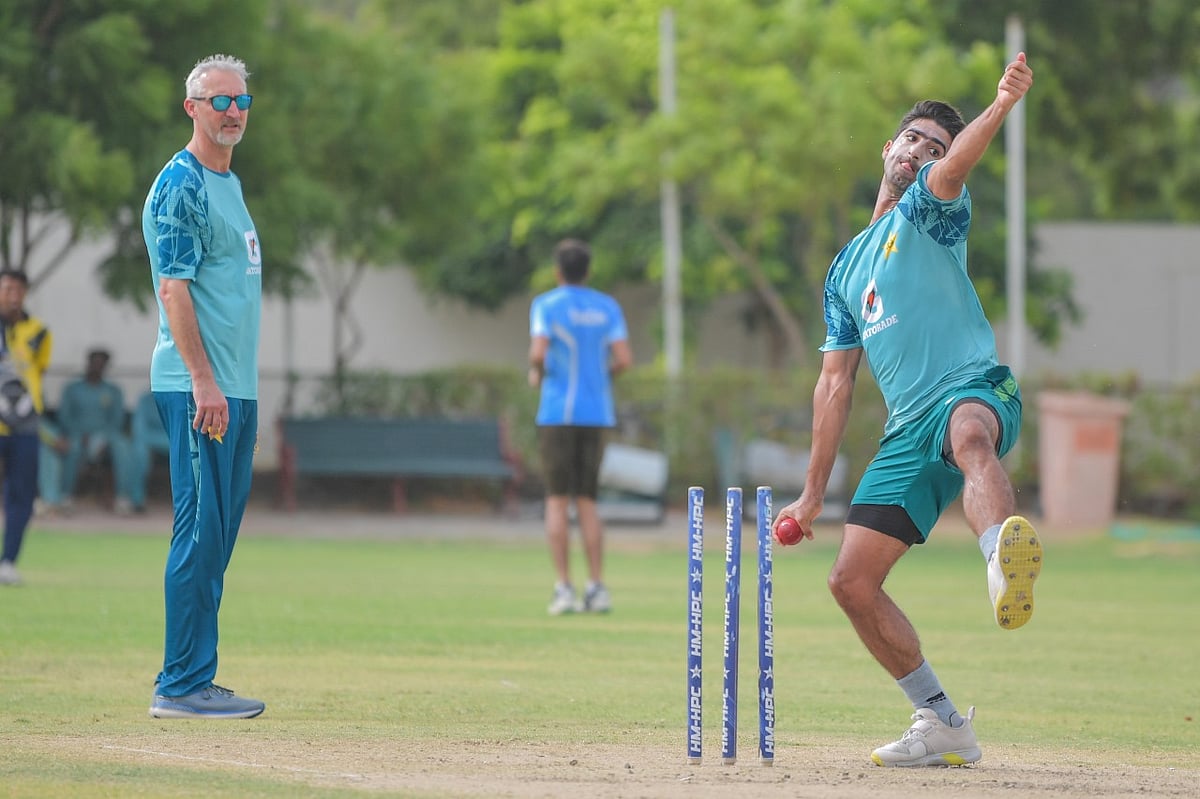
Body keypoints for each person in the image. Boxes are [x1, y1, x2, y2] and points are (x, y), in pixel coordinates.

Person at [772, 53, 1042, 767]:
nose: (923, 150)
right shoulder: (844, 269)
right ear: (886, 148)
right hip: (903, 431)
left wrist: (1002, 105)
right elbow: (834, 386)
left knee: (968, 433)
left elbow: (957, 170)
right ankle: (943, 720)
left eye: (935, 145)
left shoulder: (929, 207)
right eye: (914, 138)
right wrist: (810, 493)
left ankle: (1001, 561)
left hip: (972, 385)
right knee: (850, 581)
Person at [141, 54, 263, 719]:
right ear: (192, 107)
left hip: (231, 391)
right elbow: (174, 288)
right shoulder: (181, 183)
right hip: (198, 389)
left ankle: (197, 677)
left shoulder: (229, 184)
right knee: (197, 531)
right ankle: (179, 684)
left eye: (241, 100)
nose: (234, 112)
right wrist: (203, 380)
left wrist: (238, 390)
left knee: (218, 537)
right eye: (219, 102)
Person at [528, 239, 633, 615]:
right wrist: (600, 378)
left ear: (558, 272)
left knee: (557, 501)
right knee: (587, 501)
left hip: (558, 414)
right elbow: (623, 359)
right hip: (597, 414)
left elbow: (538, 352)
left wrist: (537, 374)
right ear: (587, 271)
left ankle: (564, 589)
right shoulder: (607, 307)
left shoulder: (546, 305)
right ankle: (597, 586)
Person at [0, 269, 52, 586]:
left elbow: (38, 372)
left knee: (21, 495)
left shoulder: (39, 331)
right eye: (7, 289)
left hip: (24, 428)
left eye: (18, 290)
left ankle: (8, 560)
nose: (13, 296)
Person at [40, 349, 139, 514]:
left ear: (106, 366)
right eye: (94, 363)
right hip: (76, 435)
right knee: (72, 447)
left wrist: (102, 438)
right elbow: (64, 417)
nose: (97, 367)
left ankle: (123, 498)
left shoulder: (114, 391)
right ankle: (66, 495)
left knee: (123, 447)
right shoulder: (72, 388)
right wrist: (81, 434)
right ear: (88, 363)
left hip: (106, 436)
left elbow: (117, 421)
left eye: (101, 364)